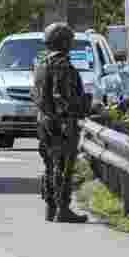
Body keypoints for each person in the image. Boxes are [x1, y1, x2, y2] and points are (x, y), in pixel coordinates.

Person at [31, 22, 91, 223]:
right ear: (63, 42)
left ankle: (51, 207)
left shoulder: (41, 64)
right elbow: (60, 97)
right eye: (70, 40)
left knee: (50, 165)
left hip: (44, 122)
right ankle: (62, 208)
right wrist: (69, 117)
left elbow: (38, 95)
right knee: (63, 166)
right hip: (60, 122)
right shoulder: (62, 65)